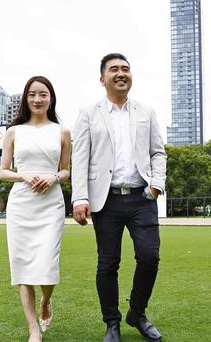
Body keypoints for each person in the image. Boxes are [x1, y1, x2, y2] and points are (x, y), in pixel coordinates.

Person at [71, 53, 166, 342]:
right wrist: (79, 199)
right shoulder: (89, 113)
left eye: (126, 69)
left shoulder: (146, 112)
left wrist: (156, 186)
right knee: (108, 264)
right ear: (103, 79)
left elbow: (158, 152)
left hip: (142, 198)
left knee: (150, 257)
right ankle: (111, 323)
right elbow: (80, 157)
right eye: (114, 69)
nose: (121, 73)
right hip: (106, 201)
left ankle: (137, 313)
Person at [0, 76, 71, 342]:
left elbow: (65, 170)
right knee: (23, 267)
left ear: (51, 98)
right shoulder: (14, 132)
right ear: (25, 99)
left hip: (51, 203)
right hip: (21, 203)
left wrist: (54, 177)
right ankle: (33, 330)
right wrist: (24, 176)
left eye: (43, 94)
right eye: (32, 94)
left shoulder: (62, 131)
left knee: (48, 265)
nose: (37, 99)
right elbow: (3, 171)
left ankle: (46, 300)